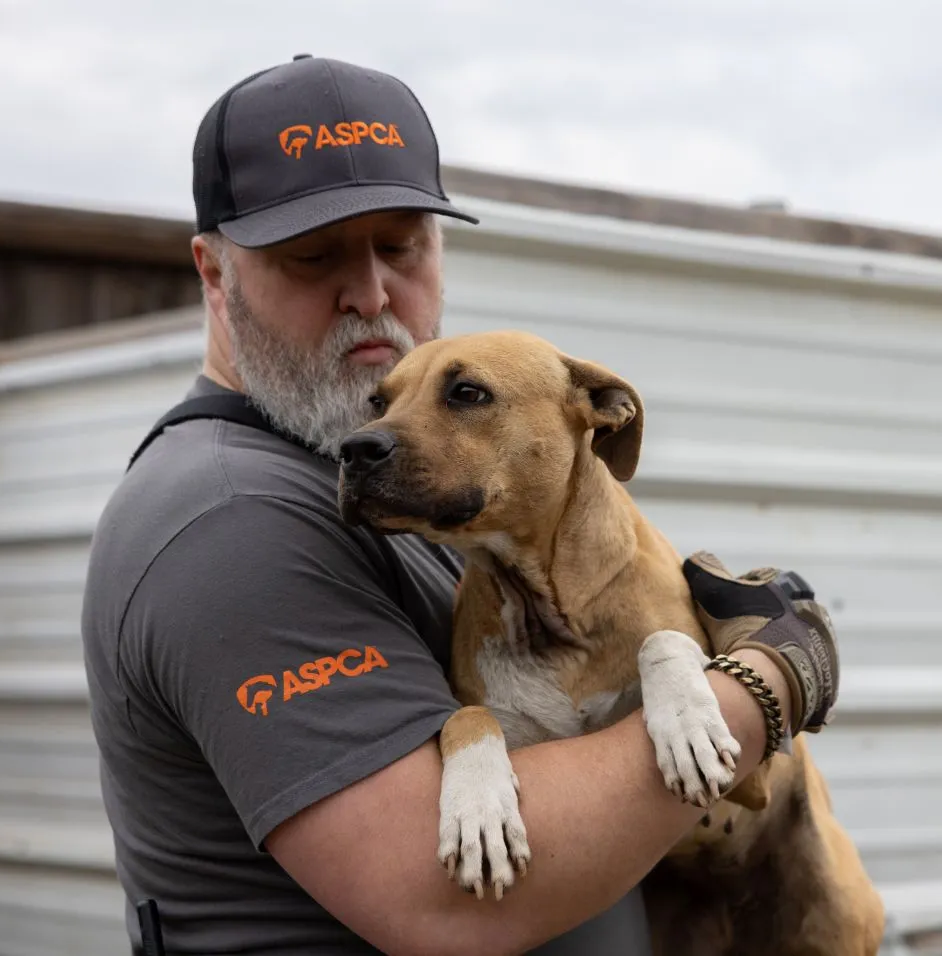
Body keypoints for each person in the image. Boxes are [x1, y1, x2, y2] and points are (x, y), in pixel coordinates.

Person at [80, 54, 838, 956]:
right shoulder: (227, 521)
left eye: (400, 246)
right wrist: (768, 687)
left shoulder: (407, 490)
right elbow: (443, 904)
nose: (368, 293)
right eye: (311, 255)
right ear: (214, 273)